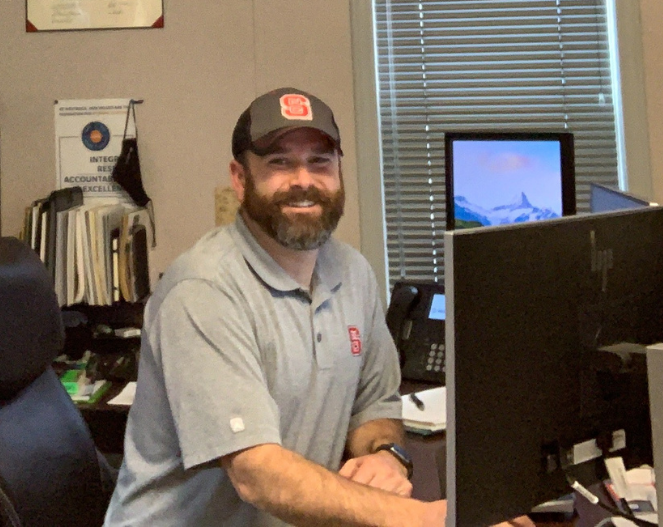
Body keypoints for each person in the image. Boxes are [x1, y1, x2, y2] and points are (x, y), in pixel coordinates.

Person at [104, 87, 443, 527]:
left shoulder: (353, 272)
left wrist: (386, 456)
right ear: (240, 177)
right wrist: (429, 519)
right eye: (279, 162)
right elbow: (256, 473)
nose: (303, 180)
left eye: (320, 161)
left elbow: (373, 403)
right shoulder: (203, 290)